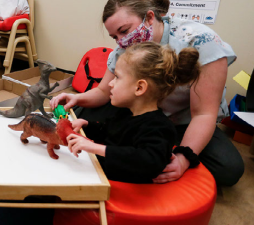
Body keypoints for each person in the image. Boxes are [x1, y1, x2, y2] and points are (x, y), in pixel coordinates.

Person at [51, 0, 244, 187]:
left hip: (186, 119)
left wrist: (183, 158)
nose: (121, 42)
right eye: (114, 37)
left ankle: (164, 143)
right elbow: (103, 91)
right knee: (82, 117)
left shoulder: (201, 43)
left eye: (124, 31)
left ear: (150, 17)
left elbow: (203, 114)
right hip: (139, 111)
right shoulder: (124, 49)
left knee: (228, 169)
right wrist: (77, 98)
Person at [67, 42, 201, 183]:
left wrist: (96, 148)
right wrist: (87, 125)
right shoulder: (126, 113)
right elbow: (109, 131)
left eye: (117, 77)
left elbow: (147, 161)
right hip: (102, 171)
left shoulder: (160, 127)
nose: (110, 83)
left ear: (139, 87)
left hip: (121, 185)